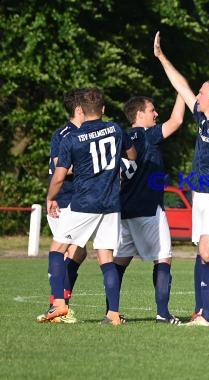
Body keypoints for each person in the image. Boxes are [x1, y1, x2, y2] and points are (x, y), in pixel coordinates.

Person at [153, 31, 209, 327]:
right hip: (200, 195)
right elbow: (182, 87)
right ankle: (205, 314)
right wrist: (162, 58)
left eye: (203, 93)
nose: (198, 97)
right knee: (204, 254)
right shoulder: (204, 118)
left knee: (207, 251)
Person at [40, 87, 136, 326]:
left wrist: (50, 197)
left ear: (81, 109)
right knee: (105, 256)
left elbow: (59, 176)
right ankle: (113, 313)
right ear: (103, 109)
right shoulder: (115, 129)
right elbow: (131, 155)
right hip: (111, 203)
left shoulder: (73, 138)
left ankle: (59, 304)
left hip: (83, 202)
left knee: (56, 249)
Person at [112, 94, 185, 325]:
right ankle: (163, 313)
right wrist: (181, 91)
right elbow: (176, 121)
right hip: (148, 208)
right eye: (152, 110)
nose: (155, 114)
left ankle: (111, 312)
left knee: (118, 263)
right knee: (163, 258)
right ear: (139, 114)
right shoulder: (144, 135)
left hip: (123, 210)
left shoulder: (120, 137)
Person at [37, 89, 88, 324]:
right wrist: (95, 165)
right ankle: (57, 305)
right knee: (67, 250)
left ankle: (59, 304)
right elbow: (62, 167)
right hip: (64, 201)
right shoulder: (64, 134)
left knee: (77, 251)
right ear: (79, 109)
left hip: (76, 201)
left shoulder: (85, 133)